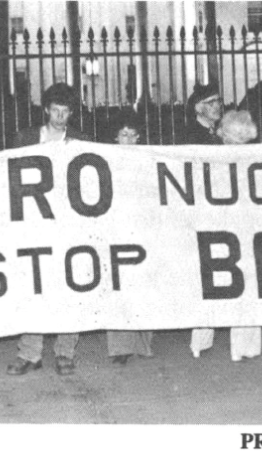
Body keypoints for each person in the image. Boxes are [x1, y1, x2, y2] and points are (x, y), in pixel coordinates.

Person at [6, 83, 92, 376]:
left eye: (65, 111)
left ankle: (65, 352)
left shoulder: (81, 140)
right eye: (55, 110)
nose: (60, 117)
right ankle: (29, 353)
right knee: (34, 289)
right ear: (46, 110)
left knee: (69, 289)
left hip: (68, 225)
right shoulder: (25, 138)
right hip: (33, 223)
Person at [190, 111, 261, 362]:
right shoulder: (212, 156)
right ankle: (202, 341)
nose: (235, 142)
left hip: (242, 226)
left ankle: (244, 346)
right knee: (213, 283)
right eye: (232, 137)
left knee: (244, 286)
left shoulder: (256, 158)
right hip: (218, 224)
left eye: (241, 138)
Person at [107, 112, 154, 365]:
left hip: (143, 228)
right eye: (124, 134)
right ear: (116, 137)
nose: (129, 140)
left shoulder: (149, 160)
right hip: (118, 228)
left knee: (143, 287)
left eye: (134, 135)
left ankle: (143, 343)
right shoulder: (104, 160)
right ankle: (121, 348)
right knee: (120, 288)